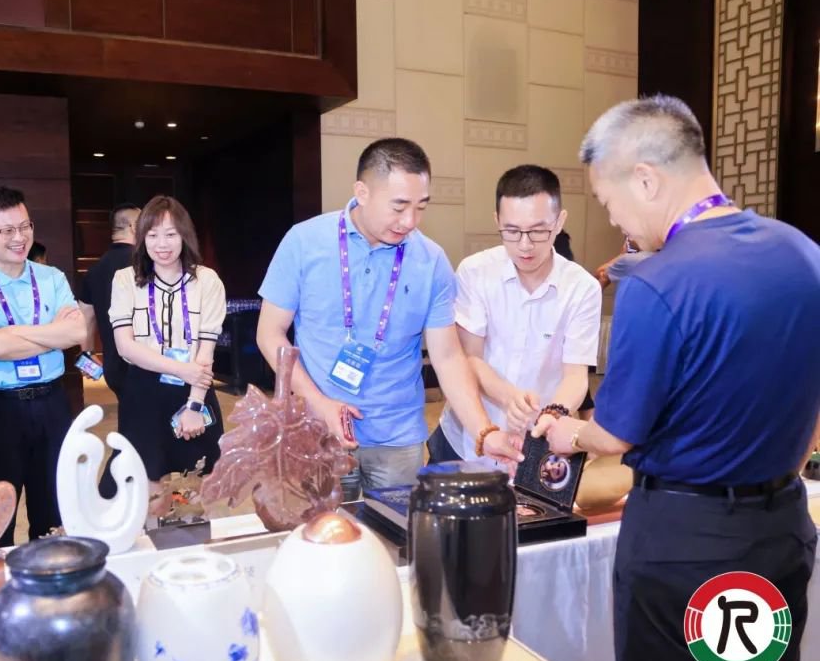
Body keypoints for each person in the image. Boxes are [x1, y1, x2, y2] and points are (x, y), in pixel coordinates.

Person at [537, 95, 820, 661]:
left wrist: (569, 432)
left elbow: (616, 433)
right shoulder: (803, 252)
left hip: (681, 543)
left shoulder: (658, 282)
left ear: (646, 179)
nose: (616, 221)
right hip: (778, 530)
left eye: (610, 202)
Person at [258, 137, 523, 497]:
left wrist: (484, 432)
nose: (410, 221)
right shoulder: (304, 242)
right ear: (362, 192)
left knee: (395, 529)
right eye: (399, 206)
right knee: (325, 529)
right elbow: (270, 334)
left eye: (420, 207)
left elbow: (448, 357)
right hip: (317, 431)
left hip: (399, 437)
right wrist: (318, 404)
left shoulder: (431, 261)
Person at [429, 165, 601, 469]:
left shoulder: (582, 288)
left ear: (559, 221)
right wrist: (509, 397)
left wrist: (554, 413)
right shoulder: (475, 271)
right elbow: (469, 358)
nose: (524, 244)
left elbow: (576, 376)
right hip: (466, 436)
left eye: (538, 231)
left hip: (535, 440)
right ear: (497, 220)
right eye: (512, 231)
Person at [0, 186, 85, 546]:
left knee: (54, 513)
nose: (19, 238)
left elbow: (77, 332)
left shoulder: (52, 278)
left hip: (52, 404)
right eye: (7, 230)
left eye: (25, 226)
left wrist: (10, 334)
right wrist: (51, 333)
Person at [108, 196, 225, 505]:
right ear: (141, 237)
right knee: (148, 485)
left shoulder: (207, 281)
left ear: (184, 236)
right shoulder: (125, 280)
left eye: (171, 234)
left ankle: (190, 535)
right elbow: (125, 346)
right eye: (153, 234)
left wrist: (195, 406)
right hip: (143, 391)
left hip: (195, 388)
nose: (162, 244)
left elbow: (205, 352)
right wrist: (181, 369)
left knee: (198, 483)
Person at [79, 203, 140, 398]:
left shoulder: (95, 269)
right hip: (145, 364)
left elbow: (85, 318)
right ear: (134, 227)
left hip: (113, 367)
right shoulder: (144, 264)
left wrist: (88, 355)